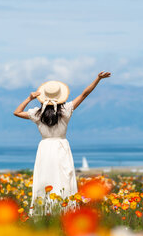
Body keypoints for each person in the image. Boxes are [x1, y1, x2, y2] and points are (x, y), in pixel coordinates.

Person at [13, 71, 111, 216]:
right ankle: (65, 211)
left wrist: (29, 98)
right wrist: (97, 79)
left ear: (42, 97)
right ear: (60, 97)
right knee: (64, 179)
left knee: (44, 179)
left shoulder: (37, 114)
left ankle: (43, 212)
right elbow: (84, 94)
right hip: (61, 146)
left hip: (45, 148)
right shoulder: (66, 110)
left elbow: (17, 112)